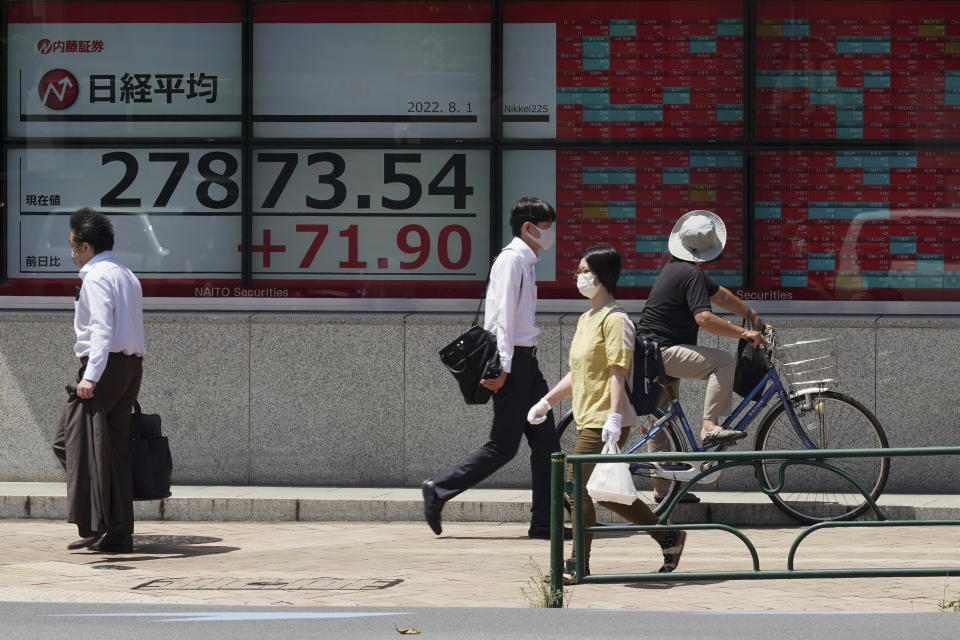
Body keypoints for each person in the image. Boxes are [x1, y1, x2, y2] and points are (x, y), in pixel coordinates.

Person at [526, 246, 686, 583]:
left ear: (600, 276)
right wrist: (546, 402)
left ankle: (576, 564)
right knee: (604, 492)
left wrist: (614, 417)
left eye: (583, 270)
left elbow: (617, 371)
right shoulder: (587, 319)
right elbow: (578, 372)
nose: (578, 276)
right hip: (588, 415)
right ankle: (669, 537)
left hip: (604, 419)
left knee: (575, 486)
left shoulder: (616, 320)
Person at [422, 197, 568, 540]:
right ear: (528, 228)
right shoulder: (511, 261)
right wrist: (501, 368)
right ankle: (439, 488)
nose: (551, 233)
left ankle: (545, 522)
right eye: (547, 226)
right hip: (513, 363)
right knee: (503, 445)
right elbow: (500, 318)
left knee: (548, 445)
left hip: (526, 363)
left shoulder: (527, 261)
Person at [637, 210, 769, 501]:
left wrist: (750, 314)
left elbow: (719, 295)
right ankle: (709, 426)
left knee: (664, 420)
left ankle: (663, 489)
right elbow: (705, 318)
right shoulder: (690, 274)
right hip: (661, 351)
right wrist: (744, 332)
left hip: (649, 352)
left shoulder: (678, 268)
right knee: (722, 361)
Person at [52, 208, 146, 553]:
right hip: (130, 365)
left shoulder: (94, 277)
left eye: (74, 247)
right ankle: (118, 532)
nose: (72, 253)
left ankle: (98, 521)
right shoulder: (125, 273)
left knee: (68, 440)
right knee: (112, 450)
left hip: (104, 368)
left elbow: (102, 329)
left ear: (87, 247)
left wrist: (91, 376)